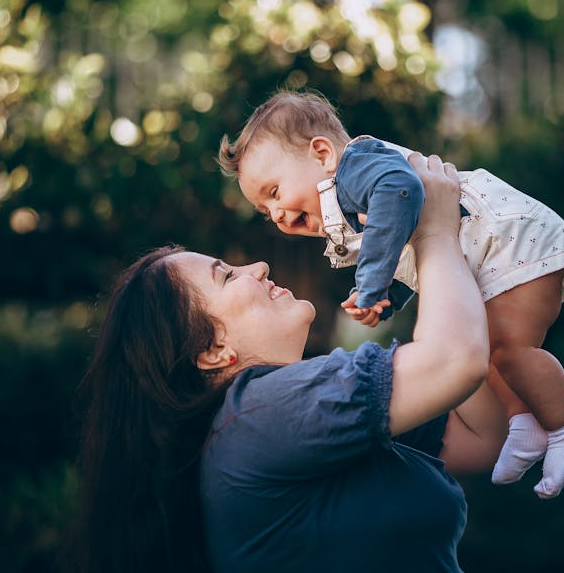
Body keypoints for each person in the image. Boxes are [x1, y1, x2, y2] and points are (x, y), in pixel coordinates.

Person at [66, 154, 507, 573]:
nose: (257, 266)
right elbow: (455, 361)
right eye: (227, 275)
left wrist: (445, 254)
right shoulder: (256, 416)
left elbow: (481, 436)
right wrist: (434, 234)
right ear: (211, 351)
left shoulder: (289, 413)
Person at [217, 89, 564, 499]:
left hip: (512, 241)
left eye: (274, 192)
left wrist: (371, 280)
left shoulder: (355, 170)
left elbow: (402, 189)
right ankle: (524, 425)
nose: (275, 216)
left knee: (509, 350)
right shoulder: (354, 198)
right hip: (490, 254)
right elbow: (407, 247)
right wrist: (386, 298)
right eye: (264, 211)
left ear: (323, 153)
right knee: (489, 348)